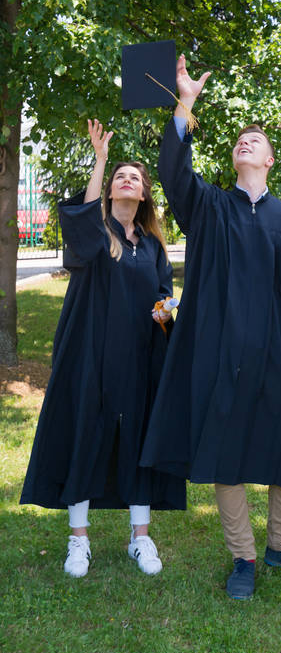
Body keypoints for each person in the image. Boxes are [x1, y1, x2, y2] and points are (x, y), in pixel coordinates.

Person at [141, 56, 281, 600]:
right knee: (225, 449)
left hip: (275, 347)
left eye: (256, 140)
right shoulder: (209, 207)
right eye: (240, 140)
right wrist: (184, 104)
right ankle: (243, 556)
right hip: (219, 348)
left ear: (271, 160)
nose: (246, 143)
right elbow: (174, 173)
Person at [21, 119, 184, 578]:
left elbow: (162, 296)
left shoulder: (151, 246)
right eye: (119, 178)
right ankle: (79, 541)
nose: (126, 181)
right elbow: (85, 216)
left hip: (137, 358)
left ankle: (141, 537)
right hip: (91, 356)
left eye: (134, 177)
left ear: (146, 193)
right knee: (85, 437)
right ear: (111, 192)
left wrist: (166, 311)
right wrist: (100, 160)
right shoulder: (98, 235)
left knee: (138, 441)